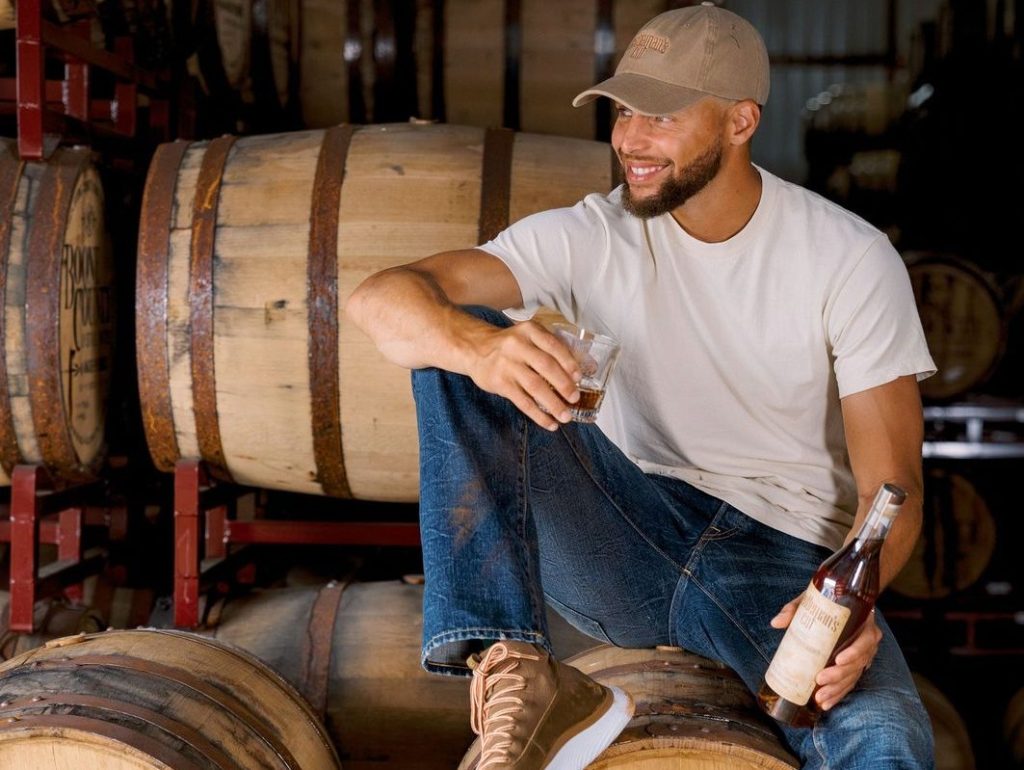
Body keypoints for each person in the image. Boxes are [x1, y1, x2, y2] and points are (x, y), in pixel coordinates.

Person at [346, 3, 937, 769]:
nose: (629, 139)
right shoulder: (590, 235)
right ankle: (516, 669)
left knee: (885, 743)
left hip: (784, 567)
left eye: (657, 115)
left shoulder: (849, 259)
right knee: (453, 336)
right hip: (623, 531)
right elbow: (381, 299)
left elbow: (895, 491)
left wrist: (854, 604)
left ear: (740, 121)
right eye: (622, 112)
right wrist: (480, 348)